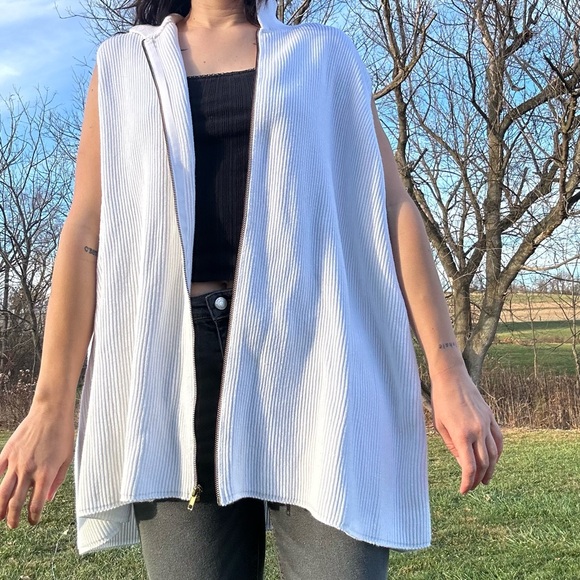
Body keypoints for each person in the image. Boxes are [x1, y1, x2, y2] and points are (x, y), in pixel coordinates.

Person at [0, 0, 503, 578]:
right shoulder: (124, 63)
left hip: (320, 363)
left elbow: (392, 208)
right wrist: (51, 405)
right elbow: (87, 230)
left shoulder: (322, 56)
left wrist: (448, 370)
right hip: (174, 378)